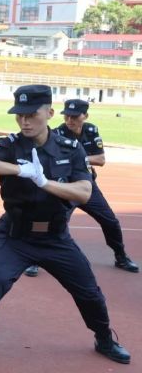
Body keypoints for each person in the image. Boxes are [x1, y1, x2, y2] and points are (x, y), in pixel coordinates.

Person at [0, 85, 130, 373]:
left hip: (55, 238)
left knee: (90, 292)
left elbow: (84, 192)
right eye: (19, 115)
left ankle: (104, 338)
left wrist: (45, 182)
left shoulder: (70, 148)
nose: (24, 121)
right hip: (15, 236)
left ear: (48, 113)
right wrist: (18, 170)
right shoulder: (10, 146)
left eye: (31, 114)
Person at [24, 99, 138, 277]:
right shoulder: (57, 132)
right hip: (65, 187)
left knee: (110, 221)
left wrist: (74, 155)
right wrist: (81, 157)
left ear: (85, 116)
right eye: (67, 116)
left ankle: (121, 256)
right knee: (52, 223)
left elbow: (101, 160)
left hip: (87, 185)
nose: (70, 120)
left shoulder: (91, 130)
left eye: (75, 116)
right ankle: (35, 261)